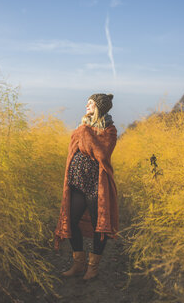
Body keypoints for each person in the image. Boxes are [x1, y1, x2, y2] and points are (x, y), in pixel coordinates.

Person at [54, 93, 118, 281]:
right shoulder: (82, 126)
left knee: (100, 225)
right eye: (87, 102)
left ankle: (93, 267)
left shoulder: (110, 129)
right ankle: (78, 263)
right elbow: (73, 149)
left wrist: (86, 132)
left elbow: (102, 153)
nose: (86, 105)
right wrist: (84, 131)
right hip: (76, 182)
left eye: (90, 103)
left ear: (99, 106)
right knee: (71, 221)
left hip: (95, 184)